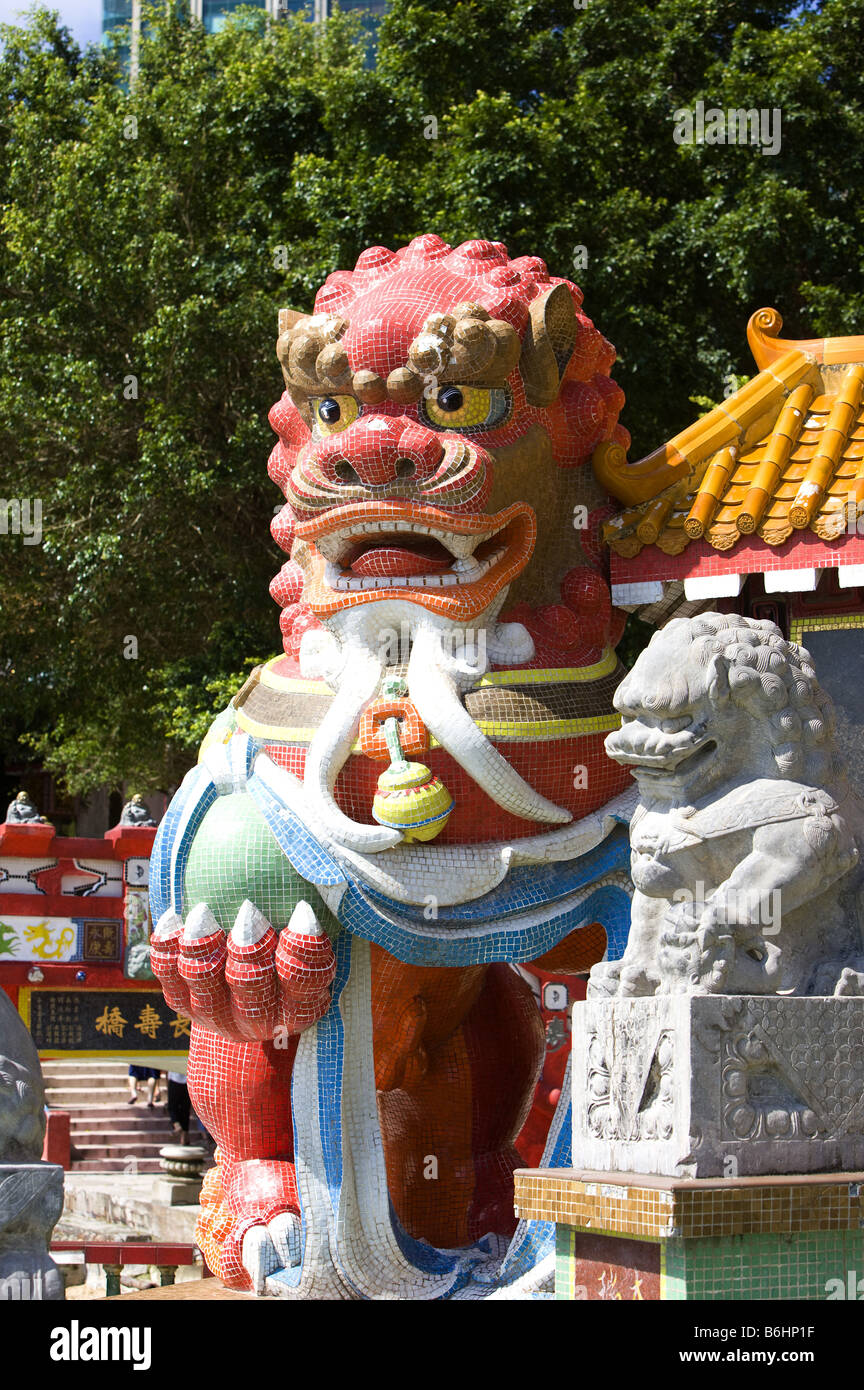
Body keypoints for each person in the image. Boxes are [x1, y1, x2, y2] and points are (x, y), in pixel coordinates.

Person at [166, 1071, 191, 1143]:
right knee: (185, 1109)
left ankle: (177, 1125)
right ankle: (184, 1136)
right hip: (187, 1080)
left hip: (174, 1079)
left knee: (172, 1106)